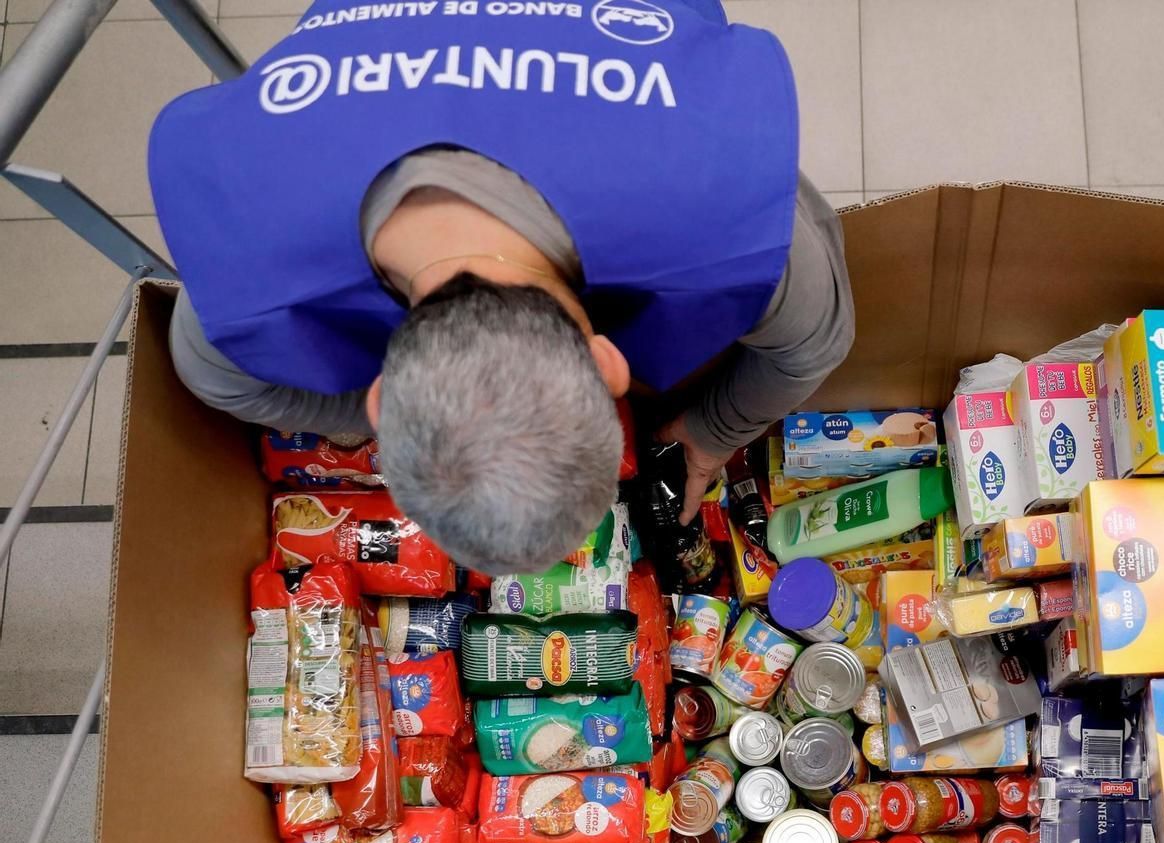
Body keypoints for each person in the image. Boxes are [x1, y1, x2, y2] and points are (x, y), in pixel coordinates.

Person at [147, 0, 854, 576]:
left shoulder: (714, 212)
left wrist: (708, 440)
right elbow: (211, 373)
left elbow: (817, 339)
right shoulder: (252, 258)